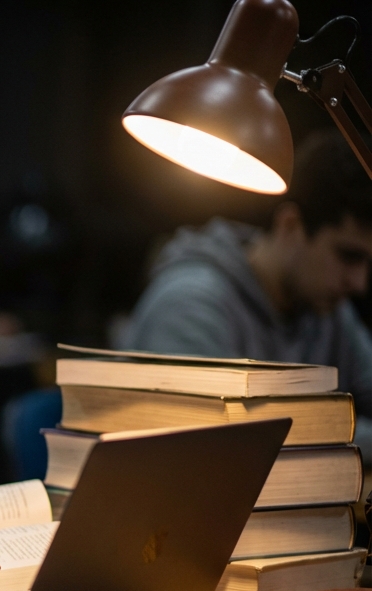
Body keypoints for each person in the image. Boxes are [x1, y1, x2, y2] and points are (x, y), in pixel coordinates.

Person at [125, 130, 372, 458]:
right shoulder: (191, 303)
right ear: (290, 225)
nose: (359, 283)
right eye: (348, 256)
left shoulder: (329, 310)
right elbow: (220, 441)